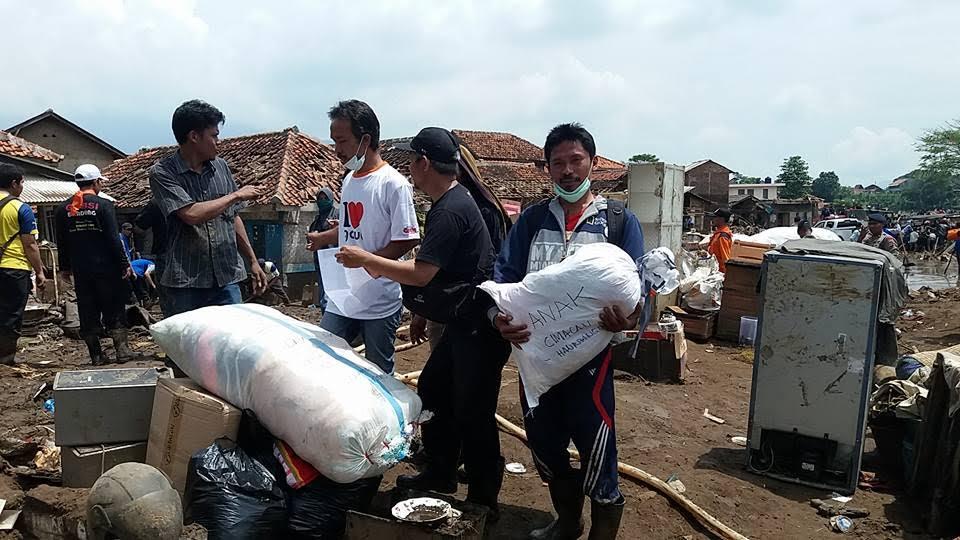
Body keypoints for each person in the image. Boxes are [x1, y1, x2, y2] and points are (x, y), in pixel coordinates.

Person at [336, 127, 511, 519]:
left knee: (474, 411)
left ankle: (484, 498)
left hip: (478, 330)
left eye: (411, 160)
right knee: (433, 389)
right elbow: (442, 275)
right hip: (461, 323)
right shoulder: (454, 201)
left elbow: (421, 273)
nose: (409, 168)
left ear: (424, 163)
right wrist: (422, 312)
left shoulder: (450, 209)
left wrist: (366, 259)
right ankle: (441, 470)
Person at [492, 123, 645, 539]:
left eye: (576, 160)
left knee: (596, 446)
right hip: (535, 360)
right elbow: (503, 278)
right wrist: (499, 318)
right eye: (557, 163)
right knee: (543, 445)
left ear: (593, 163)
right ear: (547, 170)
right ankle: (567, 522)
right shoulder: (531, 222)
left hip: (589, 361)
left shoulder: (617, 222)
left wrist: (628, 319)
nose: (567, 170)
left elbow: (639, 286)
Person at [305, 100, 420, 374]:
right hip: (343, 294)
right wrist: (325, 237)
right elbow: (350, 224)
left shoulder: (393, 184)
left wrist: (369, 263)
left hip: (379, 300)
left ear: (365, 139)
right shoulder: (349, 180)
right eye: (334, 141)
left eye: (342, 141)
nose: (337, 150)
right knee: (324, 358)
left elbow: (408, 238)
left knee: (378, 371)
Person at [148, 100, 268, 316]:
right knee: (188, 345)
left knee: (231, 341)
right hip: (186, 280)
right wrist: (236, 195)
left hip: (227, 275)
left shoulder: (220, 167)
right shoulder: (163, 173)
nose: (218, 142)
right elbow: (191, 214)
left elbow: (233, 218)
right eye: (213, 135)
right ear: (194, 136)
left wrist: (252, 260)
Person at [55, 164, 134, 365]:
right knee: (114, 306)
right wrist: (124, 263)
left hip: (81, 270)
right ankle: (123, 352)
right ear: (97, 182)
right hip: (107, 268)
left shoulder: (62, 209)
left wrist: (64, 268)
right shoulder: (104, 205)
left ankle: (96, 356)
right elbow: (113, 239)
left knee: (87, 309)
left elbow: (61, 242)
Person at [0, 163, 46, 365]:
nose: (23, 186)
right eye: (22, 182)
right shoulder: (21, 208)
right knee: (11, 314)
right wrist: (40, 272)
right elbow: (30, 245)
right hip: (14, 267)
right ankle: (6, 357)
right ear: (13, 183)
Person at [308, 187, 338, 311]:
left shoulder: (338, 215)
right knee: (324, 292)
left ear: (331, 199)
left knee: (335, 292)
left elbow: (345, 234)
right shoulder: (316, 221)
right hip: (321, 260)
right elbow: (311, 239)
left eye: (325, 198)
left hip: (336, 260)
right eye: (320, 199)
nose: (322, 201)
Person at [707, 208, 734, 272]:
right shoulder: (718, 233)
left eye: (715, 217)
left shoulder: (723, 236)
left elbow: (725, 259)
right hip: (714, 270)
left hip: (720, 273)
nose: (712, 219)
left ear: (722, 219)